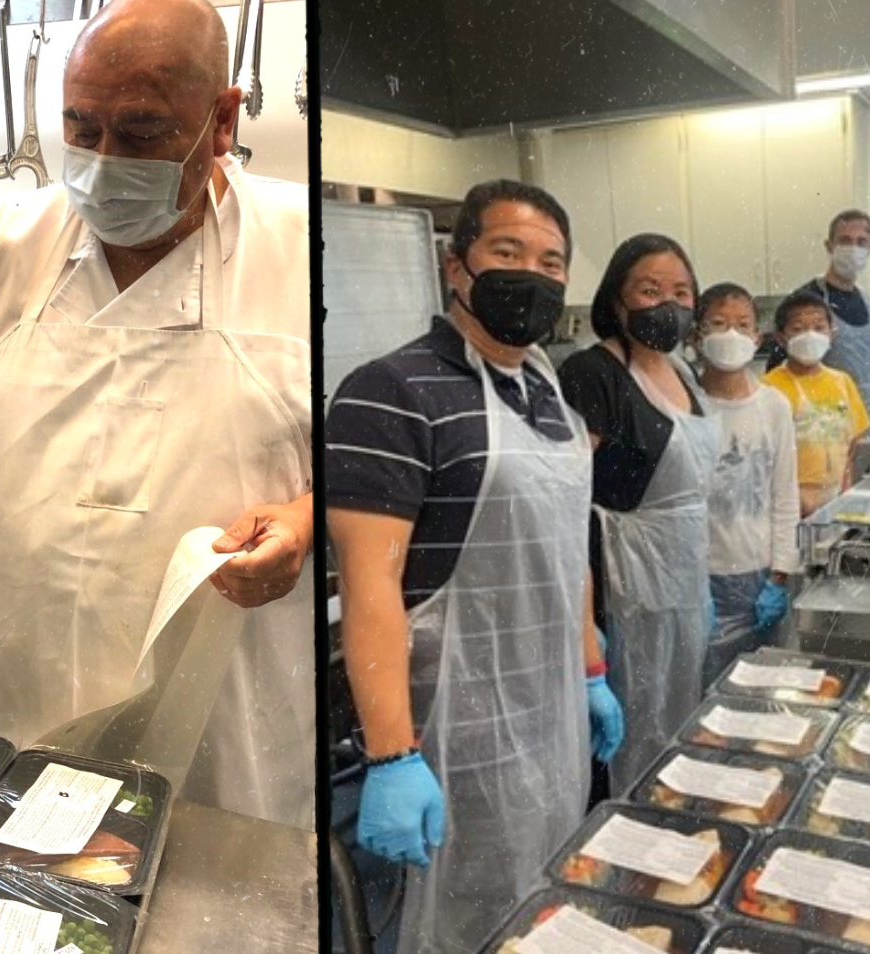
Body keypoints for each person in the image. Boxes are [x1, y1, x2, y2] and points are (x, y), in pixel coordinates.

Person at [0, 0, 313, 828]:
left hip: (213, 735)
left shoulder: (303, 253)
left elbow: (373, 462)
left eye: (140, 133)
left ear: (221, 121)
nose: (102, 161)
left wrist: (307, 519)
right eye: (81, 126)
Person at [326, 180, 623, 952]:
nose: (534, 273)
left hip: (547, 715)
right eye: (508, 251)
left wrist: (590, 670)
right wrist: (392, 755)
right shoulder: (388, 391)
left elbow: (567, 549)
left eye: (552, 261)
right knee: (456, 924)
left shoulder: (549, 388)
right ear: (457, 267)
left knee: (537, 904)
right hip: (447, 727)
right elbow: (369, 587)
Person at [559, 234, 718, 797]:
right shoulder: (592, 372)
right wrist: (583, 623)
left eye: (680, 291)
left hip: (683, 582)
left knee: (676, 720)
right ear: (617, 299)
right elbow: (566, 499)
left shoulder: (688, 375)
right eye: (649, 290)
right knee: (628, 733)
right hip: (621, 589)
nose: (667, 305)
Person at [690, 283, 798, 688]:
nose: (731, 334)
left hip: (759, 575)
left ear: (757, 338)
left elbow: (784, 497)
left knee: (759, 693)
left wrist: (780, 575)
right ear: (697, 337)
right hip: (701, 577)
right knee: (704, 697)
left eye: (742, 325)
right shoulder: (686, 405)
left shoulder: (773, 406)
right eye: (718, 324)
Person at [763, 290, 870, 516]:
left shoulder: (843, 382)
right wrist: (795, 500)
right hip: (789, 501)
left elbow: (854, 446)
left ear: (832, 333)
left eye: (819, 327)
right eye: (798, 328)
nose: (810, 335)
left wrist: (846, 490)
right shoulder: (769, 388)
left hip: (837, 497)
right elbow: (764, 455)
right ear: (781, 338)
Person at [779, 210, 870, 416]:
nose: (853, 248)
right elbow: (779, 370)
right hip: (816, 420)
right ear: (829, 246)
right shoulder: (805, 301)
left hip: (867, 419)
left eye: (861, 242)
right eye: (845, 241)